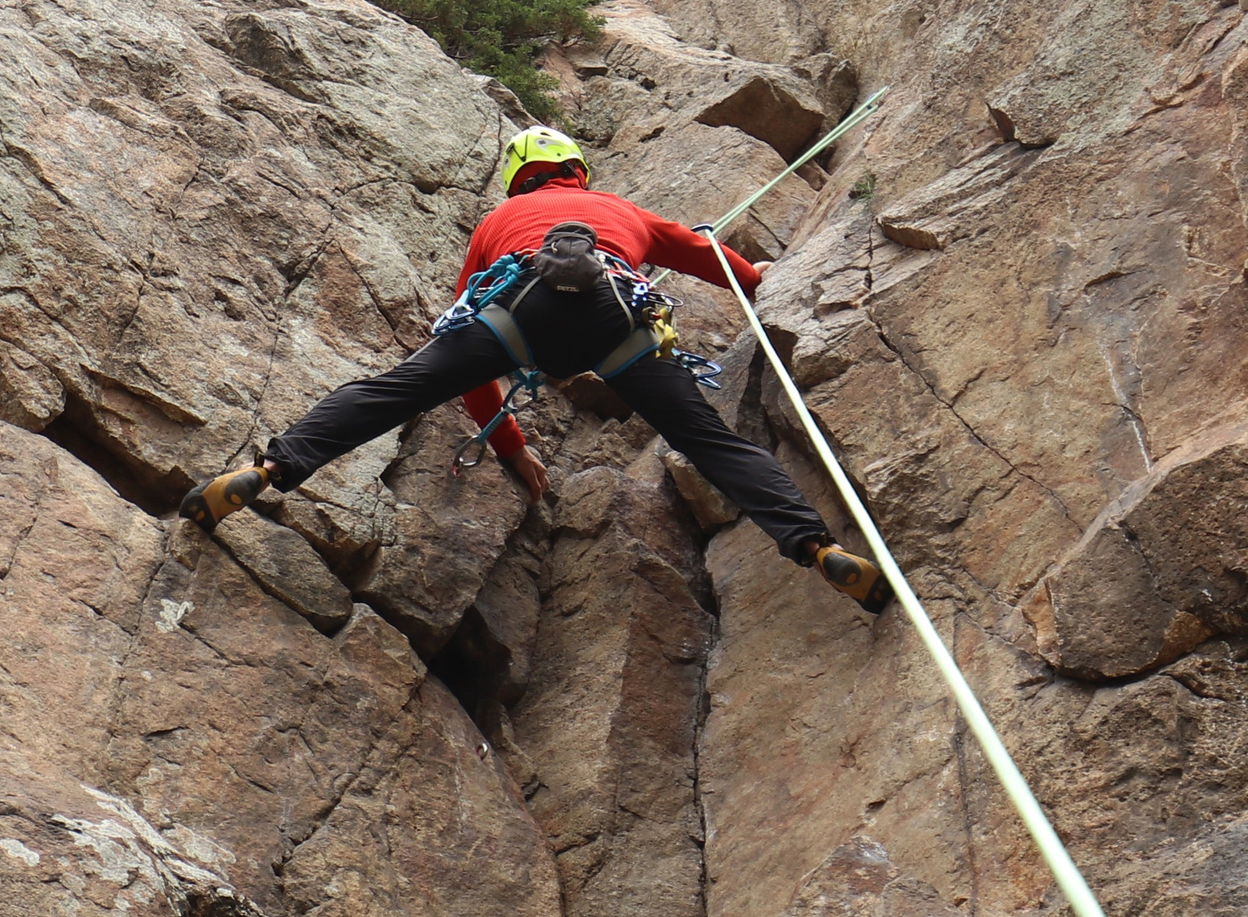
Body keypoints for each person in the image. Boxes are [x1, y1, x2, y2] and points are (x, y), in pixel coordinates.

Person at [172, 126, 893, 611]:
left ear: (520, 181)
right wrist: (757, 275)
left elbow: (463, 350)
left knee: (391, 391)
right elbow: (711, 260)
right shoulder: (617, 207)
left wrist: (511, 446)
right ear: (578, 170)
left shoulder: (495, 224)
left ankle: (269, 471)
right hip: (620, 318)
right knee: (708, 440)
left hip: (516, 306)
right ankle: (816, 542)